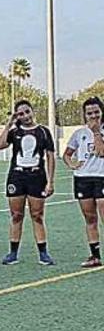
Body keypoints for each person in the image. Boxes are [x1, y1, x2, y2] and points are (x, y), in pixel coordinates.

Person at [0, 100, 56, 265]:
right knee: (16, 215)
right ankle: (13, 253)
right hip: (17, 177)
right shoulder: (14, 132)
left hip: (37, 177)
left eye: (27, 112)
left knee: (37, 215)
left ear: (32, 111)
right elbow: (0, 146)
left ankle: (43, 253)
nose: (25, 116)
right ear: (17, 116)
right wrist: (8, 124)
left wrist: (50, 181)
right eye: (21, 114)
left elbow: (50, 156)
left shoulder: (43, 132)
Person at [63, 96, 104, 267]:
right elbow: (66, 154)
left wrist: (96, 132)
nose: (93, 116)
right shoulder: (79, 134)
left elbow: (101, 152)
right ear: (84, 115)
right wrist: (72, 164)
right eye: (89, 113)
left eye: (96, 112)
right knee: (90, 218)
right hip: (83, 178)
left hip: (102, 177)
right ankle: (95, 256)